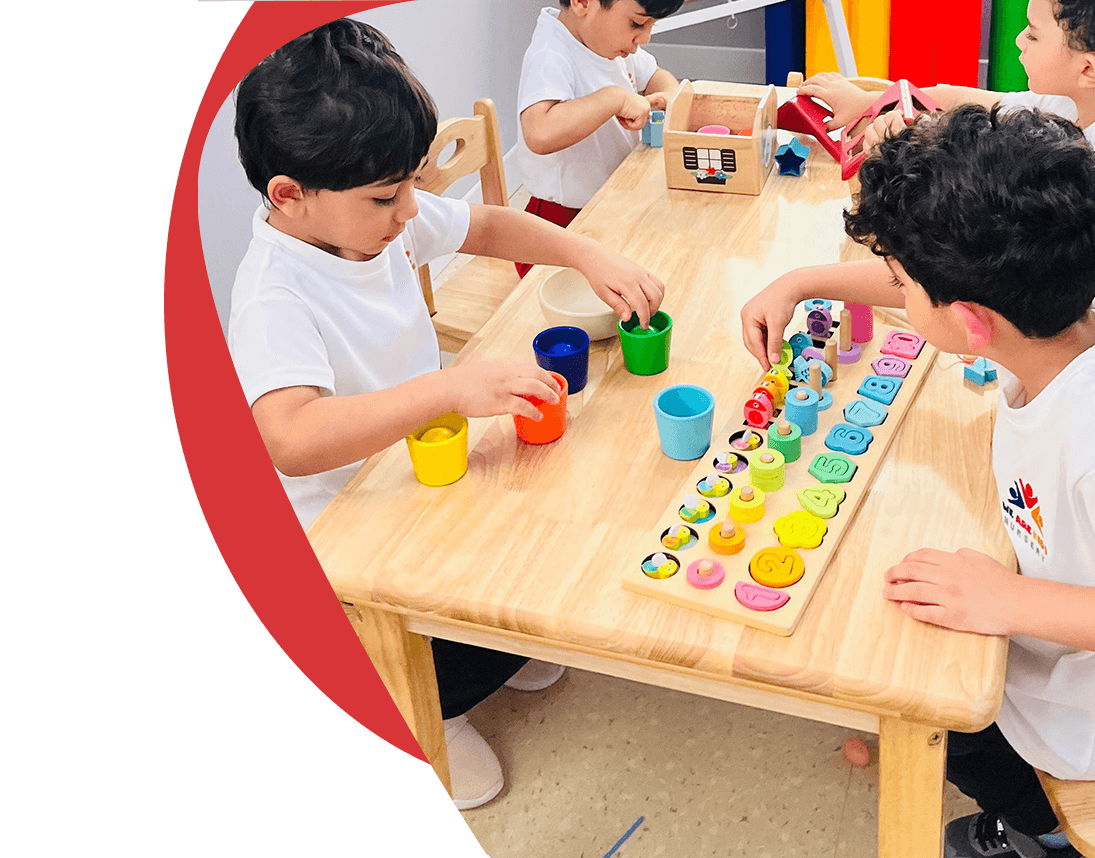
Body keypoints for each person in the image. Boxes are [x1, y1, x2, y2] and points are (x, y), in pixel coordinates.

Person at [228, 18, 665, 811]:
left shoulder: (373, 221)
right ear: (289, 196)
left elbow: (487, 225)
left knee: (546, 554)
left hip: (422, 464)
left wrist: (588, 252)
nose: (409, 211)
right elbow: (290, 438)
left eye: (411, 186)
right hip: (349, 527)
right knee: (489, 614)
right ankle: (427, 708)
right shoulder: (273, 295)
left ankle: (478, 651)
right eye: (387, 197)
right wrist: (446, 390)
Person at [745, 105, 1095, 858]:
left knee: (944, 720)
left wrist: (1006, 599)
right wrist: (803, 280)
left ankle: (1044, 836)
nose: (894, 292)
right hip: (1045, 638)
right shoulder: (1054, 311)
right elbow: (946, 281)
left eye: (901, 286)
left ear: (971, 323)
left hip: (1073, 724)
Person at [514, 0, 683, 276]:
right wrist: (614, 99)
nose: (645, 37)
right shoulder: (550, 54)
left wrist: (668, 96)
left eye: (651, 25)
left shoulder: (611, 45)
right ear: (582, 2)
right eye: (637, 23)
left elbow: (656, 75)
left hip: (612, 204)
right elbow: (539, 133)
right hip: (561, 227)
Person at [796, 0, 1094, 149]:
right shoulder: (1063, 103)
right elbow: (958, 98)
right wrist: (865, 103)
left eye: (1033, 35)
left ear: (1087, 69)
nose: (1018, 40)